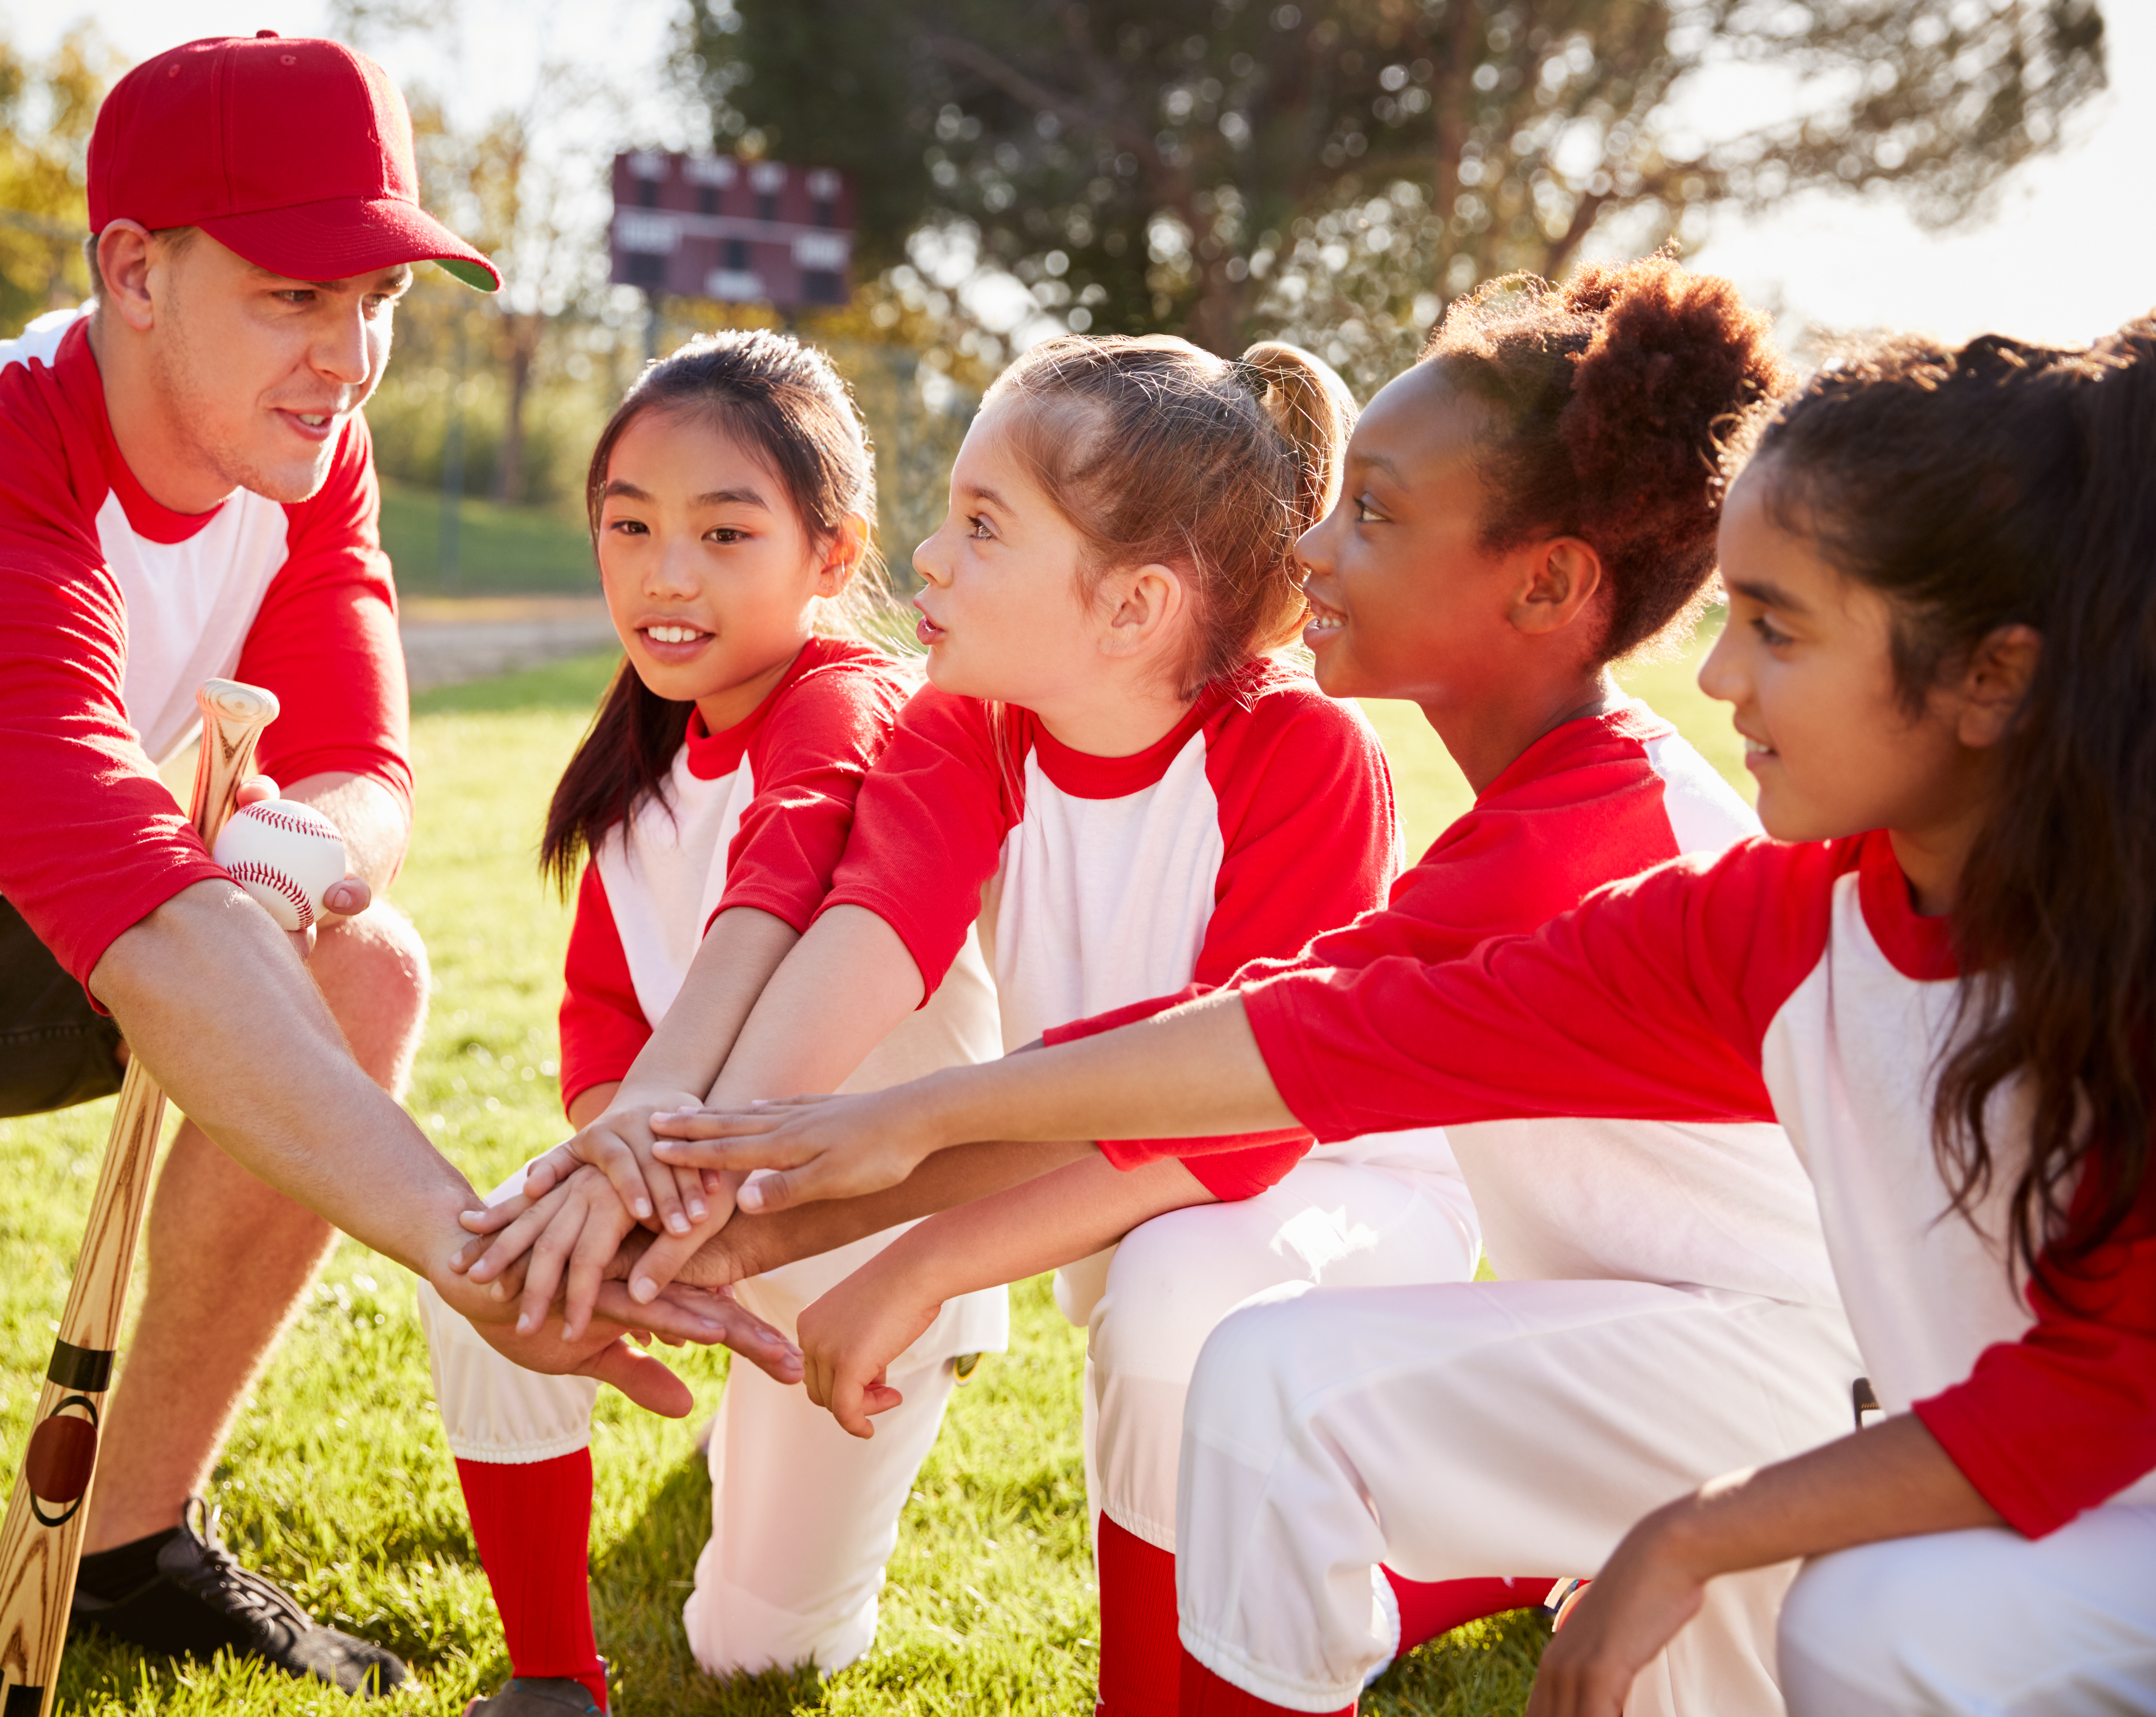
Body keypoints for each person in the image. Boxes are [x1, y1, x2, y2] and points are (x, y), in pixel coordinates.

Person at [676, 318, 2156, 1716]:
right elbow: (1304, 1030)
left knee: (1285, 1386)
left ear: (1543, 587)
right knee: (1292, 1396)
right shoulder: (1739, 901)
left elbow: (1291, 1056)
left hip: (1809, 1380)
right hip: (1741, 1362)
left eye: (1372, 516)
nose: (1311, 544)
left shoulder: (1604, 839)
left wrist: (1702, 1531)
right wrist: (849, 1158)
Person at [0, 31, 792, 1694]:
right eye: (299, 295)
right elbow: (156, 934)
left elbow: (364, 772)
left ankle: (129, 1545)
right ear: (134, 274)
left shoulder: (298, 452)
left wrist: (297, 863)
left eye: (380, 300)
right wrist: (472, 1249)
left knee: (353, 966)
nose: (350, 357)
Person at [465, 331, 1479, 1716]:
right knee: (1146, 1324)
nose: (928, 559)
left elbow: (1239, 1134)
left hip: (1329, 1183)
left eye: (982, 526)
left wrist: (919, 1262)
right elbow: (872, 934)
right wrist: (690, 1181)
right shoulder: (967, 724)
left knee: (1177, 1307)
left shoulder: (1305, 757)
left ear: (1130, 608)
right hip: (1097, 1169)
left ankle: (1318, 1620)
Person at [414, 331, 1008, 1715]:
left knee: (760, 1651)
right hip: (688, 1197)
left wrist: (646, 1146)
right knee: (488, 1258)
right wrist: (603, 1171)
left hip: (874, 1242)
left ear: (831, 551)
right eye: (630, 527)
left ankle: (780, 1441)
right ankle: (550, 1676)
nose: (666, 574)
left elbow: (786, 881)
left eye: (724, 532)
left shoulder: (858, 703)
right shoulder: (638, 762)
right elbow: (599, 1026)